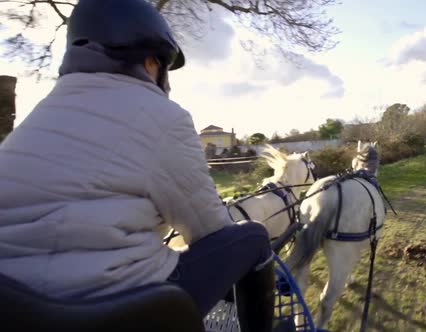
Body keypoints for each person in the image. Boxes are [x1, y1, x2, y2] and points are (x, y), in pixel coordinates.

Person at [0, 0, 274, 331]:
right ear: (149, 59)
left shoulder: (43, 112)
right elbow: (211, 230)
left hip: (13, 305)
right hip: (107, 308)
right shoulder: (164, 116)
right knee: (254, 239)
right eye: (164, 66)